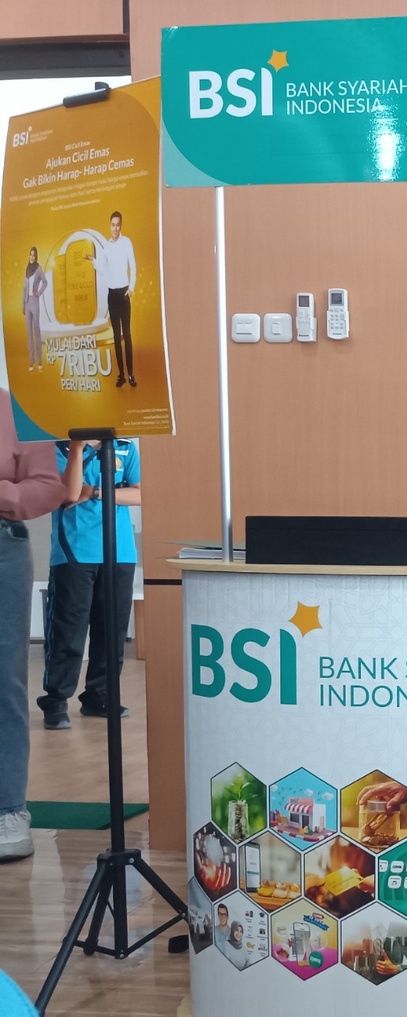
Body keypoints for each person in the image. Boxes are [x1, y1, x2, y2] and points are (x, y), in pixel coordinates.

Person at [0, 390, 67, 862]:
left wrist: (3, 493)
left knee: (3, 680)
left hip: (2, 548)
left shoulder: (18, 407)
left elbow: (49, 486)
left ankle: (7, 809)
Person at [36, 436, 140, 730]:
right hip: (74, 552)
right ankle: (56, 700)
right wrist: (78, 448)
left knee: (112, 631)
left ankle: (99, 696)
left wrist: (95, 491)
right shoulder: (57, 449)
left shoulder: (124, 448)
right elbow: (69, 494)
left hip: (120, 552)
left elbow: (140, 494)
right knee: (68, 631)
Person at [84, 211, 136, 389]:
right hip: (112, 295)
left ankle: (131, 374)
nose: (115, 228)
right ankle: (121, 375)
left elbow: (133, 266)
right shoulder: (106, 246)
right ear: (110, 225)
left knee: (127, 335)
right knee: (116, 336)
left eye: (118, 225)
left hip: (124, 293)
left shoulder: (126, 242)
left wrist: (131, 288)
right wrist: (93, 260)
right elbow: (103, 269)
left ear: (121, 225)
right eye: (113, 225)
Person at [22, 247, 47, 373]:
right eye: (30, 255)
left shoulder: (38, 269)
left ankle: (40, 361)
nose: (31, 257)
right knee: (29, 333)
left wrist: (39, 292)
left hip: (35, 303)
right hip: (27, 304)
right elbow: (24, 289)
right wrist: (23, 304)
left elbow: (45, 282)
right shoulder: (27, 269)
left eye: (33, 255)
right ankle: (32, 362)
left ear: (36, 257)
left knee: (37, 331)